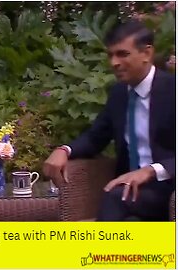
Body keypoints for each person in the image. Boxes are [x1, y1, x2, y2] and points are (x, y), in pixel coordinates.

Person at [43, 20, 175, 221]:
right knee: (127, 220)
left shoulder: (172, 91)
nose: (114, 62)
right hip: (132, 192)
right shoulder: (119, 93)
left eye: (123, 54)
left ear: (147, 54)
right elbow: (96, 137)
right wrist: (64, 150)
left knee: (115, 199)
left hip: (169, 187)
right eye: (111, 55)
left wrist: (151, 171)